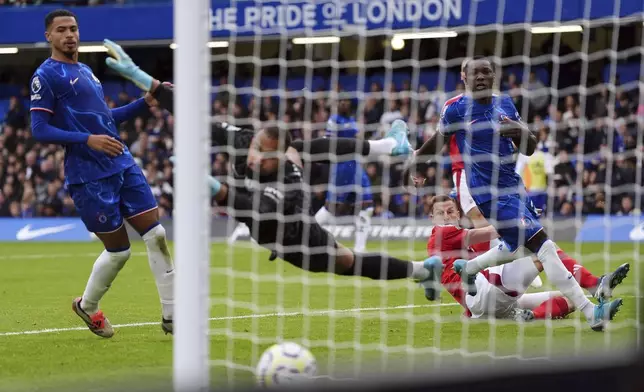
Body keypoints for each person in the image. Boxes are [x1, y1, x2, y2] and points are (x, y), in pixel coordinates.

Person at [103, 40, 441, 287]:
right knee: (311, 147)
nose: (255, 156)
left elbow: (257, 209)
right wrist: (141, 78)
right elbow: (193, 115)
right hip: (261, 218)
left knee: (348, 262)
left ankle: (420, 271)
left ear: (281, 159)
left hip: (293, 237)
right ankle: (389, 146)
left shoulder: (290, 183)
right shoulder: (244, 139)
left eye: (266, 155)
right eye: (256, 148)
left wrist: (216, 189)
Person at [404, 55, 621, 331]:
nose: (480, 77)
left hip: (513, 186)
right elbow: (436, 142)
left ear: (494, 76)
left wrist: (519, 131)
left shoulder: (504, 103)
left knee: (516, 247)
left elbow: (529, 147)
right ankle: (592, 311)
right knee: (544, 247)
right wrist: (418, 165)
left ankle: (470, 269)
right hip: (489, 194)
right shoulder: (455, 110)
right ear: (465, 79)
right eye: (475, 74)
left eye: (486, 73)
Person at [29, 10, 174, 338]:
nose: (70, 35)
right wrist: (87, 139)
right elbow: (39, 129)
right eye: (61, 30)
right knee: (120, 251)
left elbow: (104, 119)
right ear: (49, 36)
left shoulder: (85, 71)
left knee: (157, 235)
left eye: (74, 29)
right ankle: (87, 306)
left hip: (122, 164)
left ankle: (172, 315)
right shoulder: (46, 75)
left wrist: (145, 102)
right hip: (89, 175)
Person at [425, 194, 628, 321]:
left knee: (570, 299)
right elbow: (488, 233)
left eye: (450, 211)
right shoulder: (442, 232)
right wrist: (521, 219)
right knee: (543, 249)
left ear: (458, 213)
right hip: (487, 293)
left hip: (483, 310)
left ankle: (531, 316)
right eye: (439, 213)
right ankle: (595, 284)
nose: (445, 216)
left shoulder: (451, 243)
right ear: (431, 218)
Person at [314, 99, 375, 253]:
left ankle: (360, 248)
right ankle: (306, 233)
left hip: (355, 165)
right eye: (342, 102)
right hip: (342, 167)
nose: (345, 104)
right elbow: (328, 142)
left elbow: (358, 140)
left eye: (347, 102)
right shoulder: (334, 120)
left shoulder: (352, 120)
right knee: (331, 209)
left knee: (367, 205)